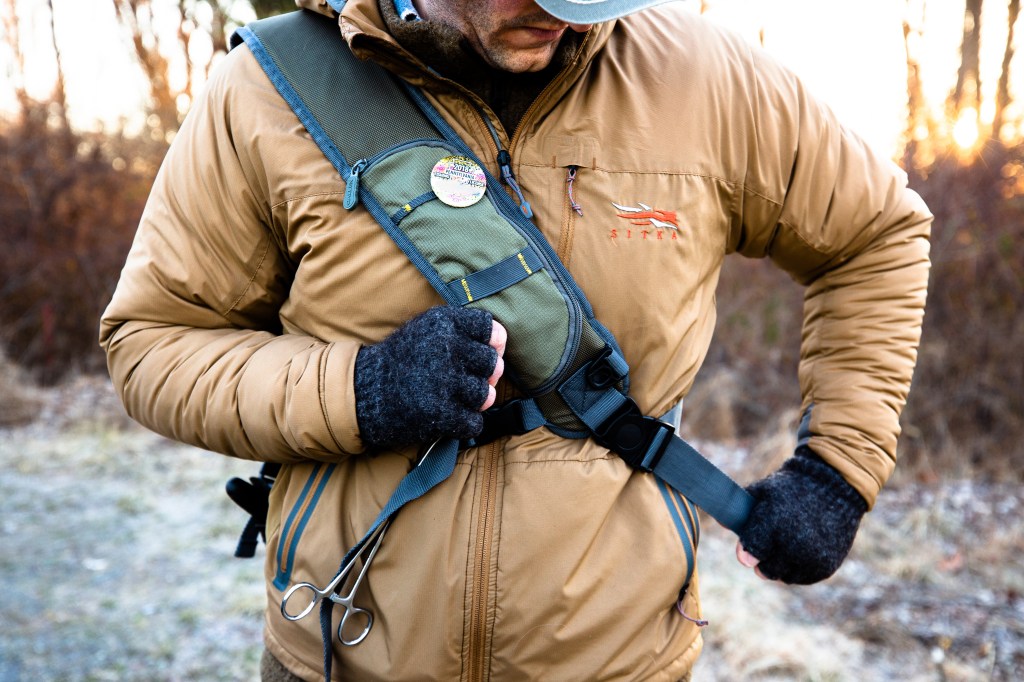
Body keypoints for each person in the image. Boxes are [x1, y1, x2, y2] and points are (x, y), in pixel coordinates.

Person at [99, 0, 932, 679]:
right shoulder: (269, 89)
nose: (566, 15)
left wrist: (837, 468)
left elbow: (877, 236)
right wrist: (364, 389)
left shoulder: (709, 78)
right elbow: (153, 342)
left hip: (621, 659)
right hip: (340, 647)